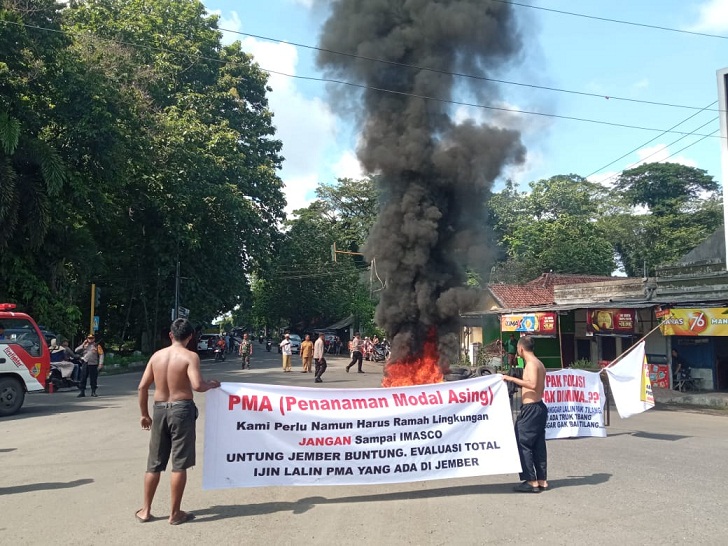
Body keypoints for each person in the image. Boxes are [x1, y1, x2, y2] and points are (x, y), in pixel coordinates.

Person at [136, 318, 220, 525]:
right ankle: (174, 513)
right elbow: (197, 385)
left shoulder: (156, 356)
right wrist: (212, 384)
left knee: (154, 464)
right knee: (179, 464)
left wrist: (144, 414)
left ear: (171, 335)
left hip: (159, 410)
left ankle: (146, 510)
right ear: (190, 336)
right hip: (181, 410)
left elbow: (142, 387)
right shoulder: (190, 356)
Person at [502, 336, 548, 493]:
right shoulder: (540, 364)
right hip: (539, 408)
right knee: (538, 444)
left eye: (517, 349)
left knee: (523, 443)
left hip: (531, 409)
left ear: (521, 349)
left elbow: (533, 385)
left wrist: (510, 378)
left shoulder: (531, 365)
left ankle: (530, 481)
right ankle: (541, 480)